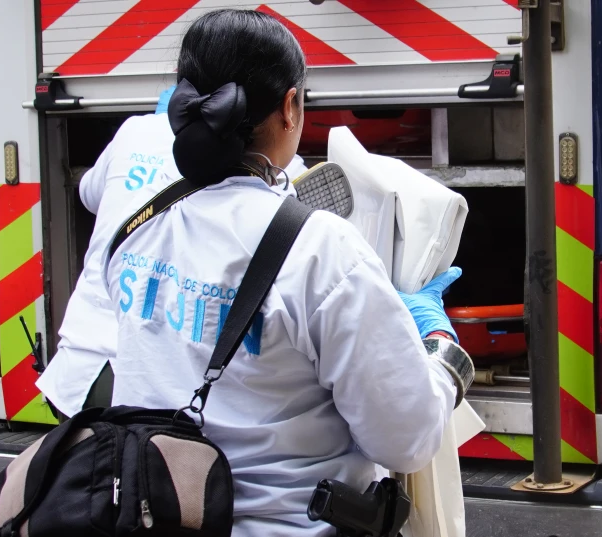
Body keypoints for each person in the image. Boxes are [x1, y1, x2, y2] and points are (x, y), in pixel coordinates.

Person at [79, 9, 464, 537]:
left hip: (152, 517)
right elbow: (406, 440)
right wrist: (441, 352)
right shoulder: (323, 252)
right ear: (289, 107)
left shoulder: (136, 226)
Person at [36, 87, 309, 418]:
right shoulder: (276, 163)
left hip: (77, 373)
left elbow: (89, 195)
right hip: (146, 383)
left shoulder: (135, 131)